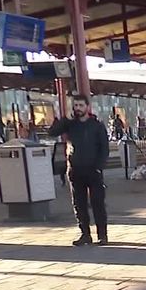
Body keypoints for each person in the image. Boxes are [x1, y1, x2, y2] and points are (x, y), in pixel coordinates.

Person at [49, 95, 110, 246]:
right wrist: (66, 119)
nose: (78, 108)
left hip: (93, 170)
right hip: (75, 170)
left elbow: (104, 148)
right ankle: (85, 234)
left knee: (97, 203)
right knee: (79, 203)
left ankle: (102, 235)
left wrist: (99, 167)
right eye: (75, 105)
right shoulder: (70, 124)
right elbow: (52, 132)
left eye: (81, 105)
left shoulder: (97, 125)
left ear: (87, 107)